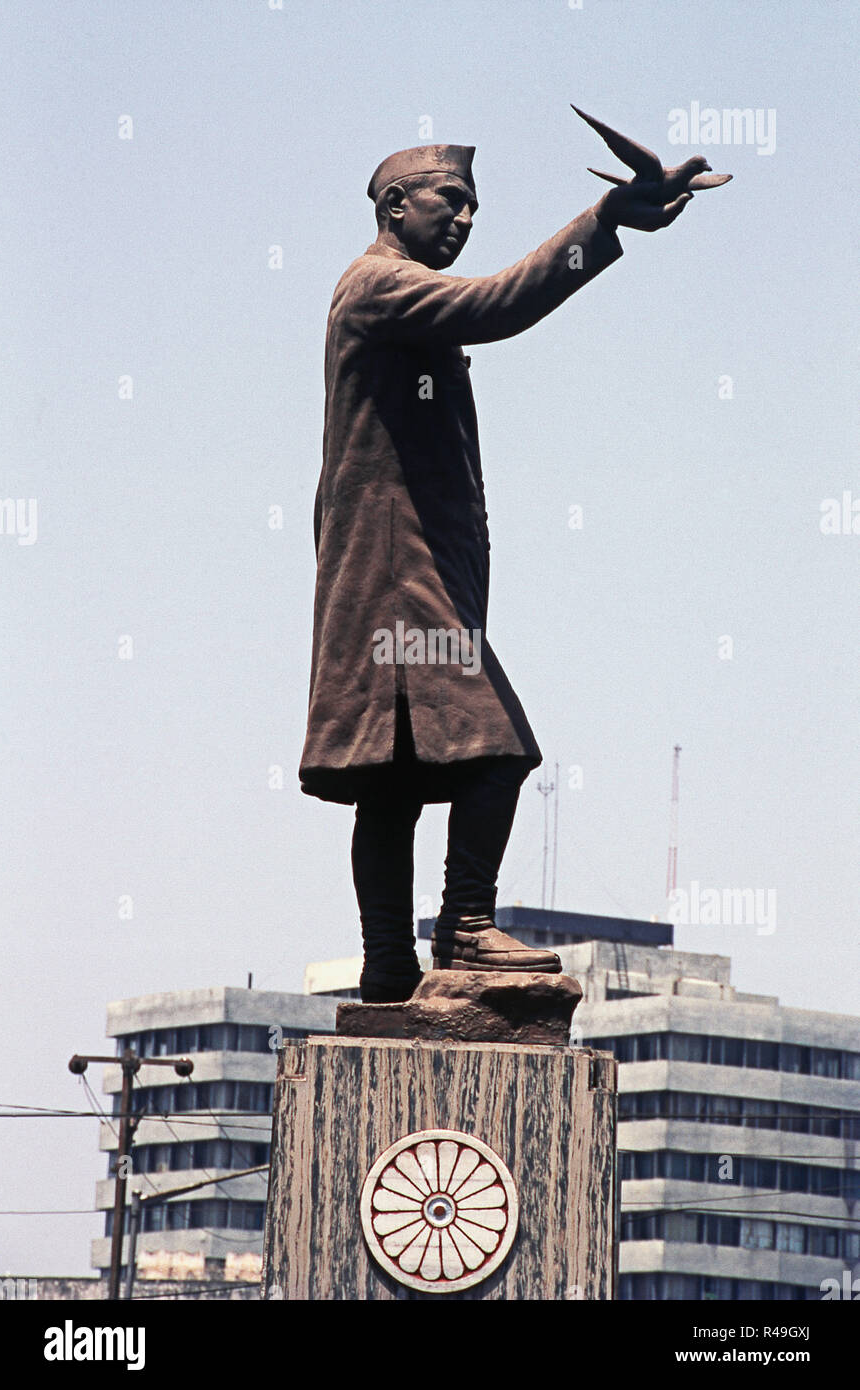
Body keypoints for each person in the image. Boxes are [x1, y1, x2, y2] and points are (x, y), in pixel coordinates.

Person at [299, 143, 693, 1002]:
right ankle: (466, 930)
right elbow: (501, 304)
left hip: (391, 578)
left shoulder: (385, 292)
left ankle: (389, 968)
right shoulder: (377, 284)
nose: (467, 218)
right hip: (394, 578)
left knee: (393, 776)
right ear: (396, 204)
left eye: (475, 205)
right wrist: (604, 223)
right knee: (500, 750)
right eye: (451, 200)